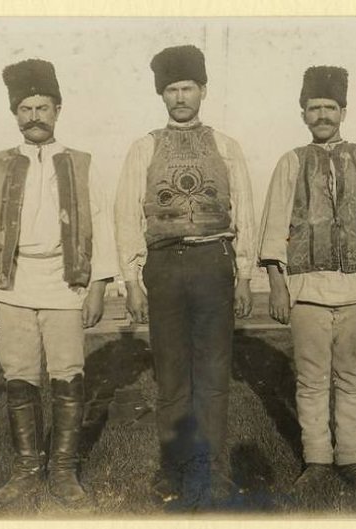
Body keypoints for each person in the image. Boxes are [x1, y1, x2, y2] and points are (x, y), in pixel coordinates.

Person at [0, 58, 117, 506]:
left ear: (58, 110)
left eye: (42, 108)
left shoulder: (82, 164)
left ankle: (64, 471)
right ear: (15, 115)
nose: (34, 117)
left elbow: (101, 227)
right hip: (12, 285)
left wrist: (99, 286)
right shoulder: (0, 166)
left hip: (67, 284)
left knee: (68, 375)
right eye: (25, 109)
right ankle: (27, 468)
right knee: (19, 376)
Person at [114, 45, 256, 505]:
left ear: (203, 91)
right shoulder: (144, 147)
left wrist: (246, 275)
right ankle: (173, 470)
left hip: (214, 263)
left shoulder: (226, 147)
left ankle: (215, 470)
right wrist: (131, 280)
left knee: (214, 374)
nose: (180, 97)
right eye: (171, 89)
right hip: (165, 268)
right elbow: (125, 217)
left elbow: (246, 213)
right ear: (162, 94)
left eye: (187, 88)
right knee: (172, 376)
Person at [257, 65, 356, 495]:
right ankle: (317, 459)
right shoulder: (291, 161)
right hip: (306, 292)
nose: (322, 115)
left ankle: (353, 460)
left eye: (330, 107)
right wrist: (277, 284)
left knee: (353, 378)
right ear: (302, 113)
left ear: (343, 111)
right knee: (311, 380)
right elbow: (273, 227)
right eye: (313, 108)